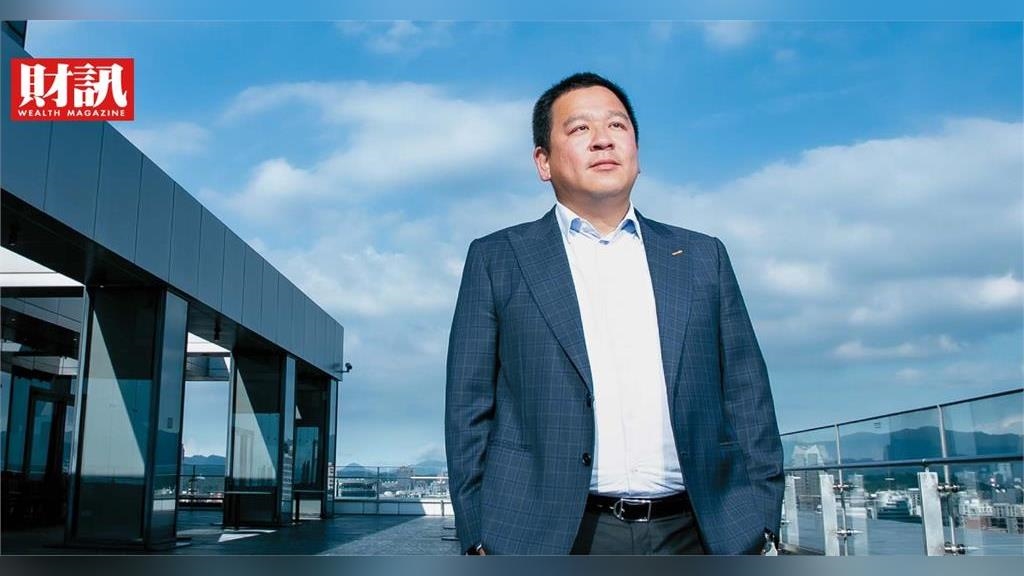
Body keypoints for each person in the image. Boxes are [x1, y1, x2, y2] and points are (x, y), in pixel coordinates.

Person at [445, 72, 783, 555]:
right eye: (580, 128)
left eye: (617, 126)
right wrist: (477, 534)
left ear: (637, 152)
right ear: (543, 161)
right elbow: (468, 407)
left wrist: (763, 521)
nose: (603, 139)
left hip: (698, 531)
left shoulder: (702, 257)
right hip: (551, 537)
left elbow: (748, 395)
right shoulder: (498, 258)